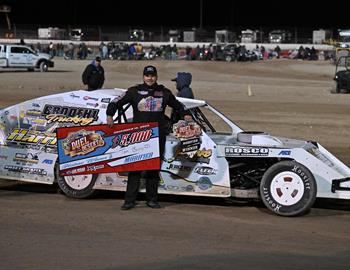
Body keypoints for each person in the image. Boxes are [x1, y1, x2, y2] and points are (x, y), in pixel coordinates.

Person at [106, 65, 192, 210]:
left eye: (152, 75)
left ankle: (152, 200)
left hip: (157, 135)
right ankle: (129, 201)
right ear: (143, 77)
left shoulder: (164, 92)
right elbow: (116, 102)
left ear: (156, 77)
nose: (150, 78)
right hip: (138, 136)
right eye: (147, 75)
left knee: (153, 168)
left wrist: (186, 114)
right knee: (135, 168)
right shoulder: (134, 91)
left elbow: (178, 105)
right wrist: (109, 115)